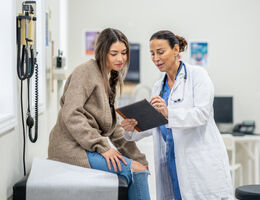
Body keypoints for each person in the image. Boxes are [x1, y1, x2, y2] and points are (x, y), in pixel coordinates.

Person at [122, 30, 233, 200]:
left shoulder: (198, 76)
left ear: (175, 50)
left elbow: (202, 114)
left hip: (197, 164)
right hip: (171, 162)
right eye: (152, 54)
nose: (155, 58)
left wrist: (168, 113)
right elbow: (155, 124)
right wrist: (132, 128)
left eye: (160, 52)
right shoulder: (159, 87)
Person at [48, 28, 150, 200]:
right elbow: (72, 113)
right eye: (114, 53)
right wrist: (102, 147)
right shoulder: (85, 72)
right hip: (71, 149)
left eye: (124, 53)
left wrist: (137, 157)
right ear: (103, 53)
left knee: (141, 167)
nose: (121, 58)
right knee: (136, 170)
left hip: (87, 147)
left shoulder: (108, 78)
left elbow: (115, 128)